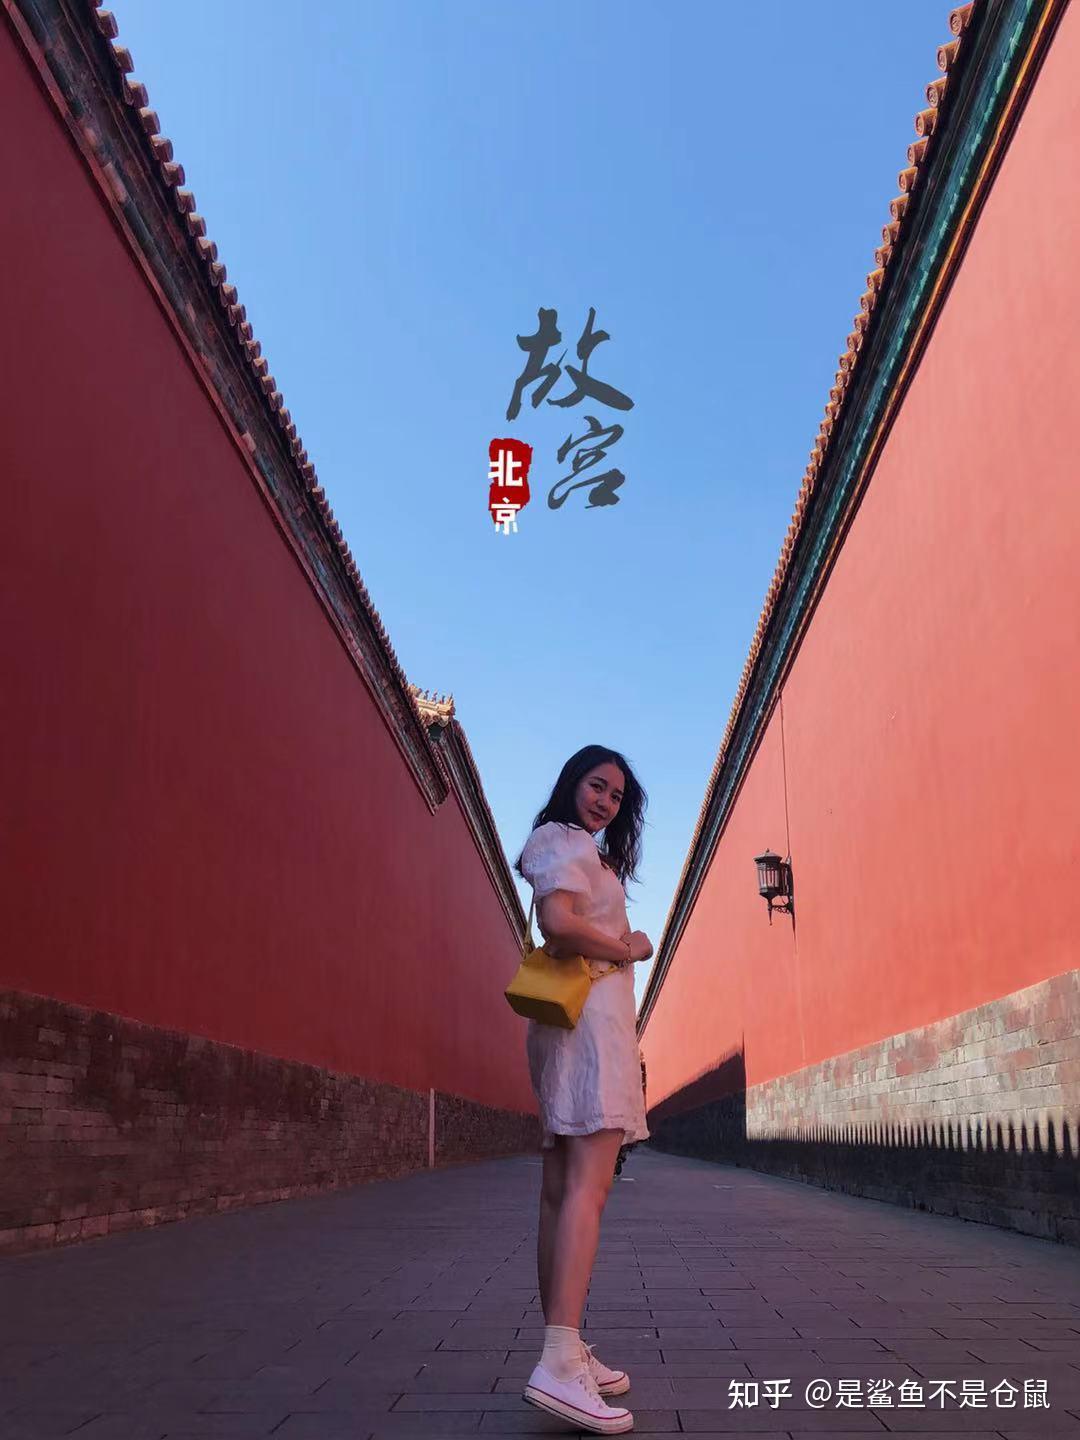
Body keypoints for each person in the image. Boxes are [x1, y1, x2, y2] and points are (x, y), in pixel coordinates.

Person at [513, 745, 653, 1435]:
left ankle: (565, 1349)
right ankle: (559, 1361)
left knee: (560, 1192)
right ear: (572, 782)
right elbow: (558, 924)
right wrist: (629, 946)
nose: (605, 801)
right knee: (585, 1192)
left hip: (574, 1028)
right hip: (589, 1031)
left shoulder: (581, 850)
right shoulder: (562, 839)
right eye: (597, 785)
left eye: (617, 796)